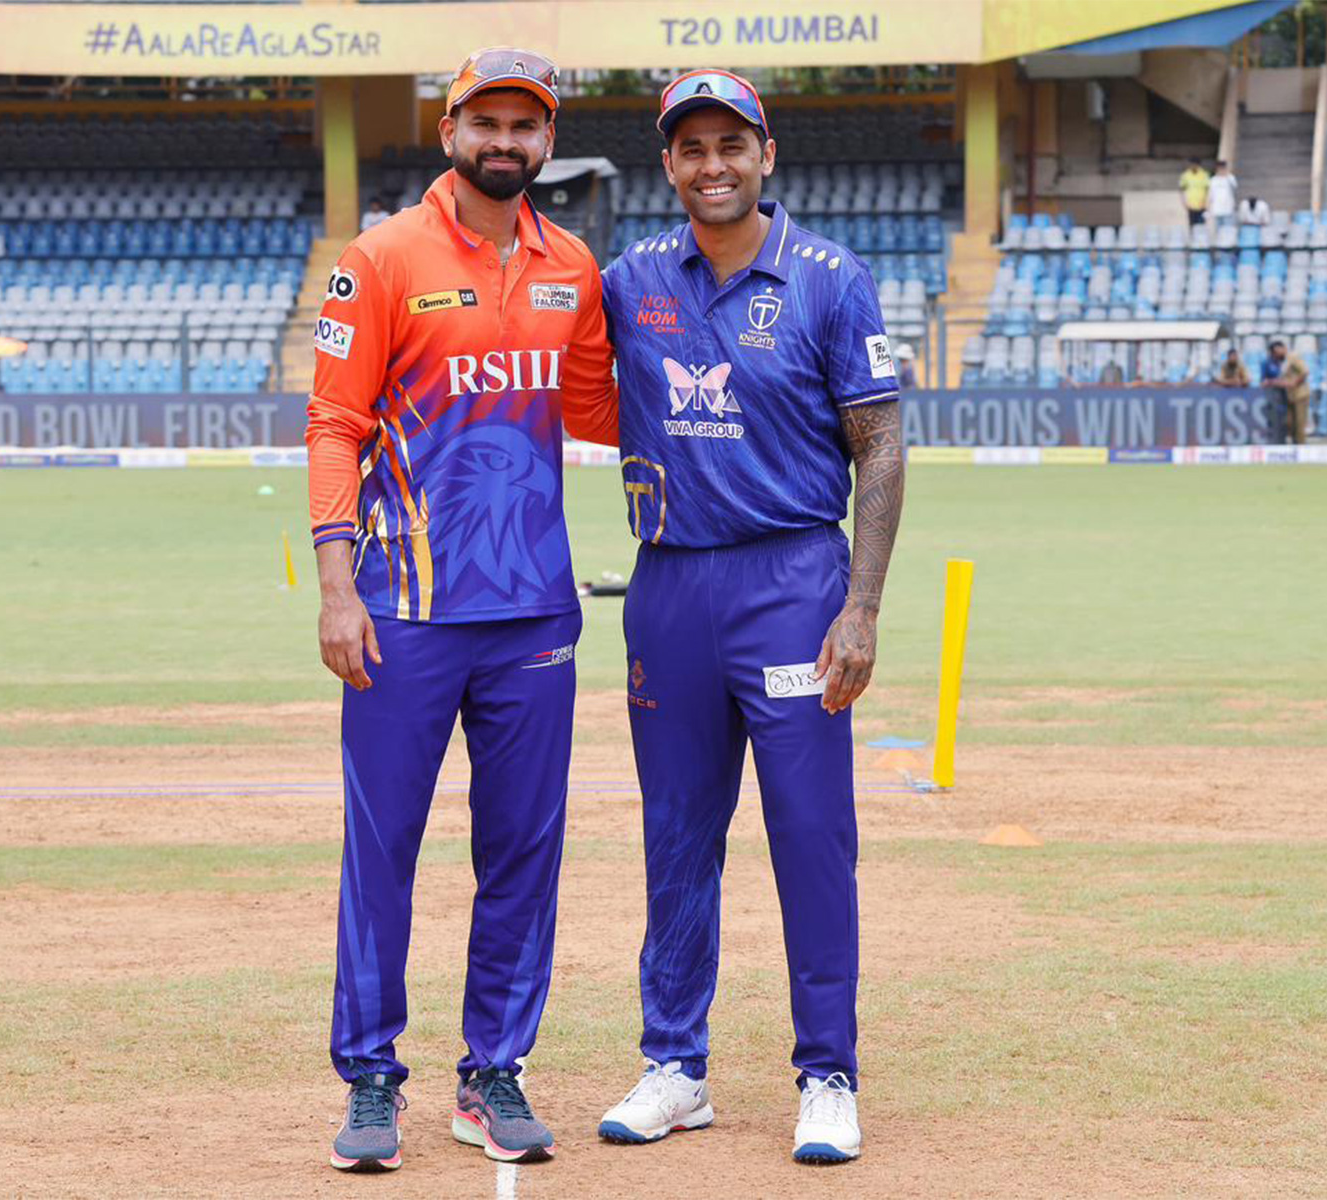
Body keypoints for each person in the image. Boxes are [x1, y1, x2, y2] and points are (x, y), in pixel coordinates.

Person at [306, 46, 619, 1173]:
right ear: (450, 133)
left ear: (546, 144)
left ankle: (494, 1071)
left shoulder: (573, 267)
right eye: (485, 123)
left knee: (523, 854)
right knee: (380, 852)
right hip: (403, 611)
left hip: (534, 613)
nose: (505, 142)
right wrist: (338, 586)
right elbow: (335, 424)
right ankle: (372, 1078)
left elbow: (597, 410)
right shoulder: (381, 257)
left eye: (524, 127)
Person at [594, 69, 904, 1166]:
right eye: (691, 148)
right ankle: (675, 1067)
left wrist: (858, 607)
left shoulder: (828, 278)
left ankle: (827, 1073)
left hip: (791, 585)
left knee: (811, 835)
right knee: (676, 835)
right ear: (667, 164)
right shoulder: (630, 281)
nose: (712, 165)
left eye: (732, 144)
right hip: (670, 586)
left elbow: (878, 445)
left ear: (765, 154)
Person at [1261, 339, 1310, 444]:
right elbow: (1285, 381)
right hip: (1290, 397)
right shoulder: (1282, 362)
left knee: (1299, 425)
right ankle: (1294, 446)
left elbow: (1305, 371)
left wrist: (1295, 383)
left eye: (1276, 352)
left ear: (1282, 348)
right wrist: (1271, 382)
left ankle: (1301, 450)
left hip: (1300, 395)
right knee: (1290, 424)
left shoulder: (1293, 357)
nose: (1275, 355)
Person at [1206, 161, 1237, 233]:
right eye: (1219, 168)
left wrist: (1226, 174)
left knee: (1228, 230)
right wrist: (1208, 207)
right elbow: (1210, 195)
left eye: (1223, 168)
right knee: (1219, 231)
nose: (1221, 170)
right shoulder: (1213, 180)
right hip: (1217, 209)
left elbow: (1234, 187)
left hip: (1228, 208)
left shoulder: (1230, 178)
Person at [1179, 157, 1210, 226]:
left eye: (1194, 164)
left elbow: (1208, 190)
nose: (1192, 166)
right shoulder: (1186, 175)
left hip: (1202, 205)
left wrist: (1207, 203)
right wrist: (1184, 202)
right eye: (1191, 164)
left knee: (1201, 226)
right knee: (1192, 226)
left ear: (1198, 165)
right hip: (1191, 205)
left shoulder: (1204, 174)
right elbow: (1181, 190)